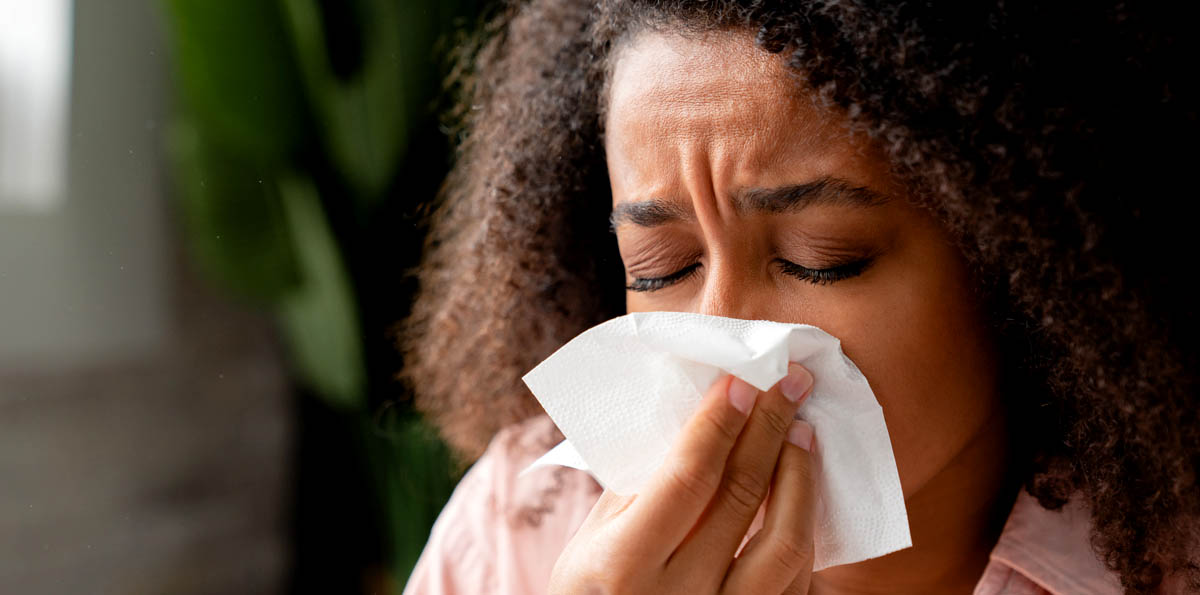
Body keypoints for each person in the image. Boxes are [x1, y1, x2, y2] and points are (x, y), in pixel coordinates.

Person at [398, 1, 1200, 593]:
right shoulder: (519, 524)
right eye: (659, 267)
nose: (722, 340)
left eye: (824, 260)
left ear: (1017, 257)